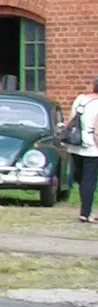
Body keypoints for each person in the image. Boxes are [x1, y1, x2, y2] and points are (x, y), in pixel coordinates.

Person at [70, 77, 98, 223]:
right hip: (92, 147)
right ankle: (85, 213)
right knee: (89, 180)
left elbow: (72, 119)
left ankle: (84, 211)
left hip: (75, 144)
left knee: (82, 180)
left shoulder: (80, 99)